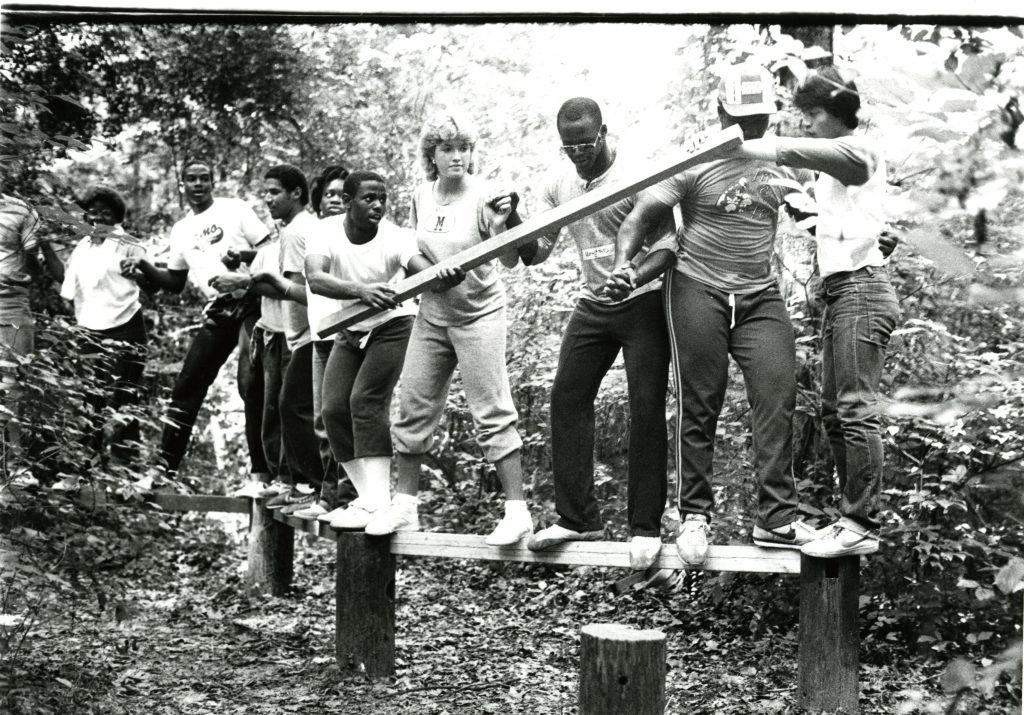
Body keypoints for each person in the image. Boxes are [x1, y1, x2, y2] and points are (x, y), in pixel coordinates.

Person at [605, 63, 823, 567]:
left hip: (758, 295)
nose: (751, 130)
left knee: (777, 392)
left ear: (773, 115)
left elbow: (813, 217)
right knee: (700, 402)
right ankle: (694, 516)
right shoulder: (695, 159)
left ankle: (776, 518)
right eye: (742, 119)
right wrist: (624, 267)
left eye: (761, 120)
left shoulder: (784, 160)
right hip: (697, 287)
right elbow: (640, 218)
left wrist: (859, 239)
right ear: (721, 110)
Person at [734, 66, 901, 558]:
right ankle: (851, 519)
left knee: (854, 410)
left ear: (835, 114)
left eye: (811, 115)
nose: (805, 125)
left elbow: (804, 151)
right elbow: (834, 224)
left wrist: (741, 146)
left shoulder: (859, 151)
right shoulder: (837, 171)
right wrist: (802, 207)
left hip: (863, 291)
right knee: (834, 413)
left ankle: (861, 523)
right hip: (844, 293)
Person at [368, 111, 535, 546]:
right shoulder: (421, 196)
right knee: (412, 404)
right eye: (447, 148)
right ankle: (405, 506)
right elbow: (412, 251)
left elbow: (512, 260)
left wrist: (503, 226)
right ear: (432, 155)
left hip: (480, 313)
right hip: (432, 314)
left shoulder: (485, 195)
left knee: (492, 409)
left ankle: (517, 513)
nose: (457, 156)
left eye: (463, 148)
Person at [521, 98, 674, 570]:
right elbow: (536, 252)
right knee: (567, 397)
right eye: (568, 146)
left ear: (605, 132)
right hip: (594, 303)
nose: (578, 153)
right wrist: (510, 221)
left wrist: (634, 274)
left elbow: (669, 247)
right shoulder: (557, 183)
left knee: (645, 407)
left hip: (643, 300)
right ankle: (576, 517)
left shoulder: (637, 174)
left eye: (585, 143)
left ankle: (645, 528)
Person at [307, 170, 461, 529]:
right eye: (368, 199)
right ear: (346, 202)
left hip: (393, 325)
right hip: (349, 326)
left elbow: (420, 269)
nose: (377, 205)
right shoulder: (325, 232)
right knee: (332, 409)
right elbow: (315, 278)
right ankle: (371, 499)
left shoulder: (394, 237)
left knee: (365, 401)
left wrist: (439, 274)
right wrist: (360, 291)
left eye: (382, 199)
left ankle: (377, 502)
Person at [123, 157, 270, 489]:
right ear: (182, 185)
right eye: (192, 179)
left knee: (250, 382)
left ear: (213, 182)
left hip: (253, 300)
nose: (199, 184)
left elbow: (271, 250)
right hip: (219, 309)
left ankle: (261, 474)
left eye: (205, 178)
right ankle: (162, 471)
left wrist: (241, 259)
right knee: (186, 387)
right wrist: (144, 264)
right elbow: (174, 281)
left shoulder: (236, 209)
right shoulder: (181, 230)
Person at [59, 186, 150, 474]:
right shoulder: (82, 246)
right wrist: (45, 246)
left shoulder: (128, 242)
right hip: (90, 328)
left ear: (116, 215)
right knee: (91, 396)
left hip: (127, 325)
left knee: (126, 395)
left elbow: (152, 283)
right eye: (93, 212)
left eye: (105, 213)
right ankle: (88, 460)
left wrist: (138, 269)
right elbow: (67, 289)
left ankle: (126, 463)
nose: (99, 218)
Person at [0, 192, 61, 488]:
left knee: (14, 387)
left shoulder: (21, 209)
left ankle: (16, 468)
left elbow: (35, 266)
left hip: (11, 307)